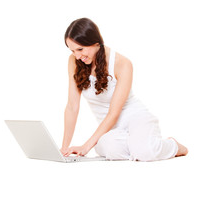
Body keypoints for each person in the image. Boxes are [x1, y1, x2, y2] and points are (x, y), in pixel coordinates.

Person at [60, 17, 188, 161]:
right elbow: (72, 106)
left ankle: (173, 146)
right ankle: (139, 144)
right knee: (109, 149)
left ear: (95, 43)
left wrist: (86, 146)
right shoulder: (74, 61)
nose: (77, 56)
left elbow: (113, 113)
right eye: (72, 51)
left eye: (80, 49)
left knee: (144, 153)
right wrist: (64, 149)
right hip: (110, 129)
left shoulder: (122, 63)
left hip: (134, 117)